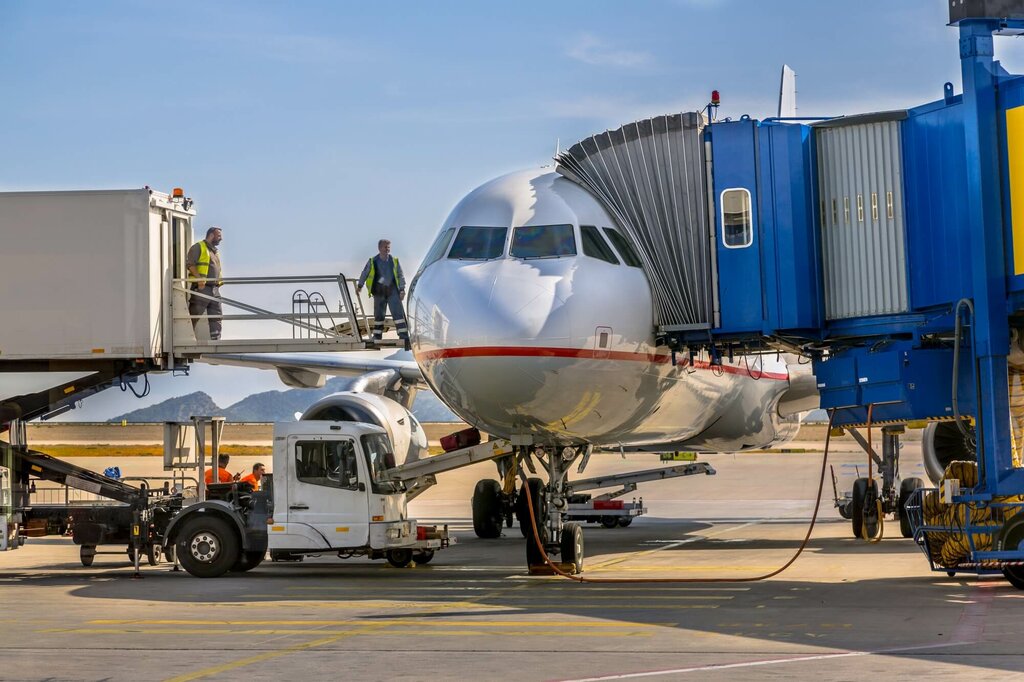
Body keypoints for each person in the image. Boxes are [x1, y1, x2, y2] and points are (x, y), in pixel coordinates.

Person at [356, 239, 409, 349]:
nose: (387, 249)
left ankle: (404, 336)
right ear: (379, 248)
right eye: (385, 247)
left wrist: (402, 290)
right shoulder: (373, 261)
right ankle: (377, 336)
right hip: (379, 292)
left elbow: (400, 275)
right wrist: (360, 286)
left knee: (398, 314)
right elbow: (365, 273)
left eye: (388, 247)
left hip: (393, 292)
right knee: (379, 315)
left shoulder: (394, 261)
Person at [186, 227, 224, 341]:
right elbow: (190, 264)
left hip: (214, 289)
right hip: (202, 288)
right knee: (195, 314)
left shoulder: (215, 251)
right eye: (219, 236)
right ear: (211, 235)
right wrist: (199, 279)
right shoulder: (198, 247)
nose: (221, 239)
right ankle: (188, 338)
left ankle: (216, 340)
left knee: (217, 315)